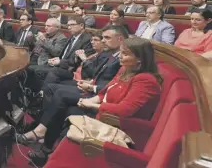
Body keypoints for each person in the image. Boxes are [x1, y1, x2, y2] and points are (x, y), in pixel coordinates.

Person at [21, 37, 162, 165]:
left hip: (115, 123)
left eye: (125, 54)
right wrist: (92, 100)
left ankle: (46, 147)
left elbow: (125, 110)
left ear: (140, 59)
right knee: (64, 104)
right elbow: (105, 91)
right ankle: (46, 148)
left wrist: (93, 105)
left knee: (66, 108)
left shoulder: (145, 80)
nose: (120, 56)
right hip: (103, 109)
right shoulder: (125, 69)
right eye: (120, 52)